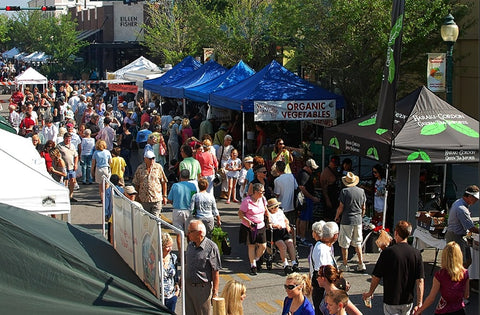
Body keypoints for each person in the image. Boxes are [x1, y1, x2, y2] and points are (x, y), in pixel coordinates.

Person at [363, 220, 424, 315]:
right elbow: (420, 280)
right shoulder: (416, 254)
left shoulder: (387, 252)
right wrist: (419, 303)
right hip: (408, 300)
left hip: (391, 299)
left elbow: (376, 276)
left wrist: (370, 292)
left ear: (396, 233)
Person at [412, 241, 469, 315]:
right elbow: (466, 295)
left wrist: (420, 310)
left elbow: (431, 298)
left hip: (444, 310)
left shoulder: (440, 275)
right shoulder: (464, 273)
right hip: (459, 310)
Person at [185, 220, 221, 315]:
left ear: (200, 233)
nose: (188, 234)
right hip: (188, 287)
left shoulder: (211, 247)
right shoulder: (190, 245)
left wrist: (215, 293)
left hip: (202, 290)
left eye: (190, 231)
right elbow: (187, 264)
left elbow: (215, 271)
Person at [335, 172, 367, 272]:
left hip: (346, 219)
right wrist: (361, 216)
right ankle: (361, 263)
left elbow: (341, 207)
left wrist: (336, 216)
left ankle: (345, 264)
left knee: (345, 243)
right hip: (357, 219)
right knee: (358, 242)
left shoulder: (344, 191)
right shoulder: (361, 191)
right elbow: (364, 207)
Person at [445, 185, 479, 268]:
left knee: (467, 261)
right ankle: (458, 279)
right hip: (455, 236)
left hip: (458, 235)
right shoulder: (461, 208)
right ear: (470, 197)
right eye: (476, 198)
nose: (477, 200)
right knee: (459, 263)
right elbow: (470, 228)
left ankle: (461, 278)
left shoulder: (458, 202)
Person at [238, 183, 269, 275]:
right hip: (249, 227)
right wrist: (247, 220)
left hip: (261, 225)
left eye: (264, 191)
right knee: (251, 246)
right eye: (261, 191)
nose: (263, 193)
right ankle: (253, 265)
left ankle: (257, 258)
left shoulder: (263, 199)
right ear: (255, 192)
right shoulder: (247, 201)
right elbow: (240, 214)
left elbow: (266, 210)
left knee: (263, 246)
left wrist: (270, 220)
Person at [310, 221, 339, 315]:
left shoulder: (325, 246)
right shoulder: (321, 249)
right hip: (322, 289)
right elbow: (323, 273)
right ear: (336, 236)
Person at [266, 198, 298, 275]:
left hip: (284, 230)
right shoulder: (268, 214)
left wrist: (287, 225)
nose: (277, 207)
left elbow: (286, 220)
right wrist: (275, 225)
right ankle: (285, 264)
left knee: (290, 243)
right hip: (275, 232)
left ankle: (294, 263)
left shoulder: (280, 212)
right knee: (282, 246)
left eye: (277, 206)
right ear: (271, 208)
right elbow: (268, 225)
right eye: (276, 206)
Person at [132, 150, 168, 217]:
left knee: (156, 220)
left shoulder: (158, 167)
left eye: (153, 158)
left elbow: (164, 182)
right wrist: (137, 197)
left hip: (156, 198)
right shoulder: (140, 168)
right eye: (150, 159)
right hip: (144, 199)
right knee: (146, 220)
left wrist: (164, 196)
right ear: (145, 159)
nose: (152, 160)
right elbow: (137, 183)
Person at [168, 169, 198, 250]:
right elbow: (195, 199)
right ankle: (189, 252)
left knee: (179, 234)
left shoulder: (175, 186)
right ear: (189, 177)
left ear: (180, 176)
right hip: (189, 211)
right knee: (189, 233)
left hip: (177, 210)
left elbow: (170, 199)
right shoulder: (193, 186)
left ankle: (181, 255)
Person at [296, 159, 321, 246]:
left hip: (304, 199)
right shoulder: (304, 175)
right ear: (307, 167)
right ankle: (302, 238)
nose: (313, 171)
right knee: (304, 219)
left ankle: (299, 236)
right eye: (312, 169)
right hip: (305, 200)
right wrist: (312, 197)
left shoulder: (303, 173)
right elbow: (302, 188)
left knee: (301, 218)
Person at [274, 160, 299, 225]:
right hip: (291, 206)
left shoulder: (277, 180)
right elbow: (296, 187)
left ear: (276, 168)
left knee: (283, 225)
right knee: (291, 225)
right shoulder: (291, 176)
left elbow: (277, 194)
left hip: (281, 206)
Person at [160, 232, 180, 313]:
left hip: (171, 296)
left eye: (171, 246)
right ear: (161, 247)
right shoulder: (154, 258)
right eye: (167, 247)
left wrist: (177, 290)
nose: (170, 249)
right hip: (159, 297)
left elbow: (175, 276)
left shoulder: (173, 257)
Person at [57, 132, 79, 202]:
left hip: (71, 167)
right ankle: (62, 196)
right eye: (67, 139)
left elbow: (76, 156)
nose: (68, 140)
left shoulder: (72, 146)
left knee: (72, 181)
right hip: (63, 167)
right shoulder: (59, 146)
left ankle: (71, 196)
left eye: (69, 139)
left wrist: (76, 164)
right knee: (63, 182)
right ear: (64, 138)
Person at [320, 156, 341, 221]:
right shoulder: (326, 172)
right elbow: (324, 187)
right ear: (331, 162)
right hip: (329, 196)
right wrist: (327, 200)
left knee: (334, 215)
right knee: (328, 216)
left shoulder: (335, 170)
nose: (335, 165)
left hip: (335, 196)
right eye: (334, 163)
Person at [216, 134, 234, 199]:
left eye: (230, 140)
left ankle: (227, 192)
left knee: (229, 179)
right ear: (225, 140)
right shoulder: (221, 148)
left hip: (230, 164)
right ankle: (223, 192)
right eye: (228, 140)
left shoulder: (231, 147)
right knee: (224, 179)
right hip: (223, 165)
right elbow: (218, 158)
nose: (229, 141)